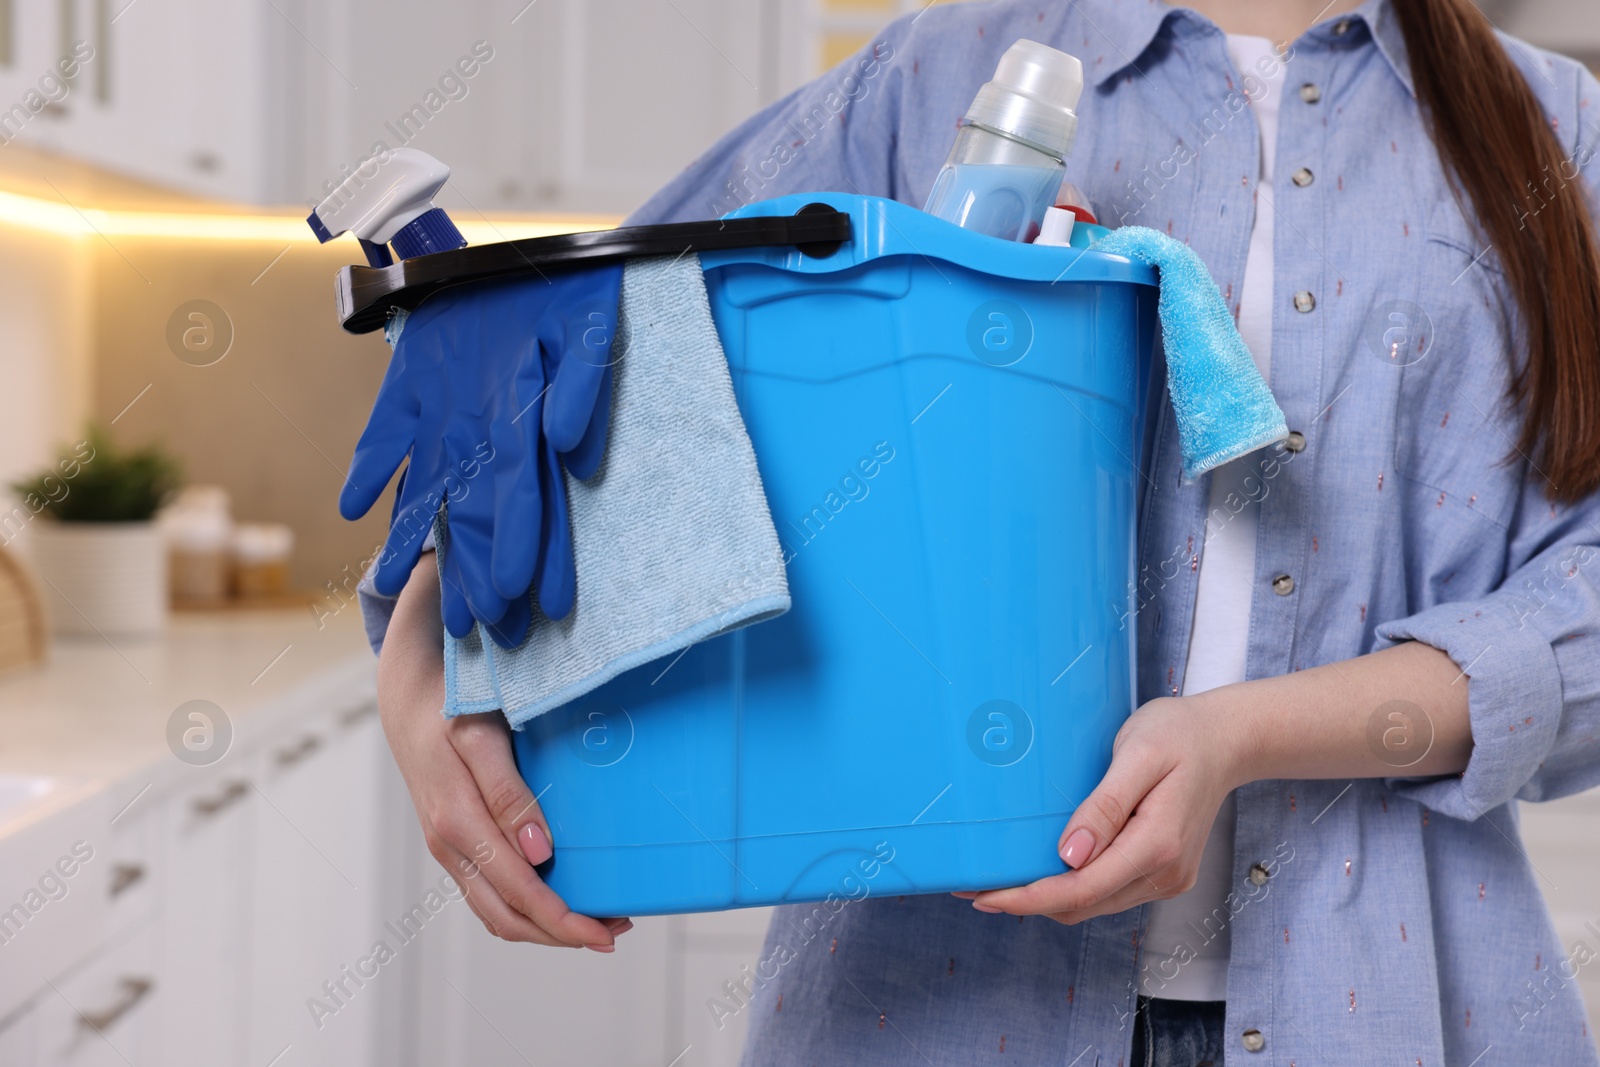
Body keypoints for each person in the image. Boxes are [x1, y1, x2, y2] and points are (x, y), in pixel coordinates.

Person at [369, 0, 1600, 1062]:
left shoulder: (1558, 131)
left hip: (1396, 999)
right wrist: (427, 644)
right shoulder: (932, 74)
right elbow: (580, 376)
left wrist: (1238, 736)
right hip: (929, 1004)